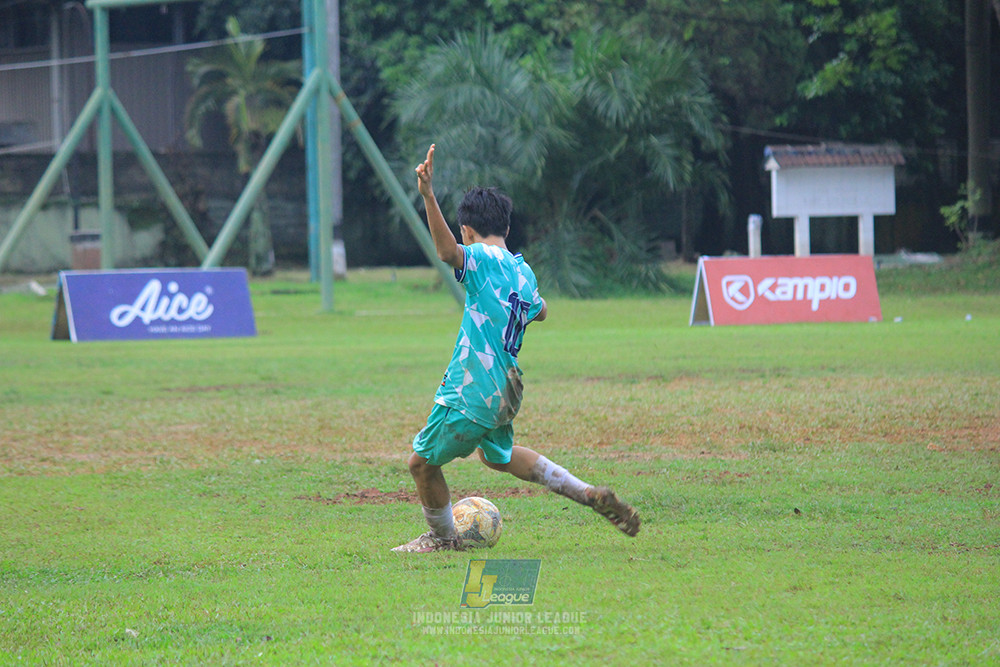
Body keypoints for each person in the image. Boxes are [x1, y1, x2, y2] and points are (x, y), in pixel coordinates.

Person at [392, 144, 640, 553]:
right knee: (499, 457)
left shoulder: (480, 258)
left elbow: (446, 252)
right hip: (506, 387)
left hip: (472, 384)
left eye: (464, 235)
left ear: (468, 231)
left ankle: (440, 540)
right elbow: (541, 311)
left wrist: (428, 195)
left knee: (421, 464)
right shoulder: (521, 269)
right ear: (505, 227)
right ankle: (586, 493)